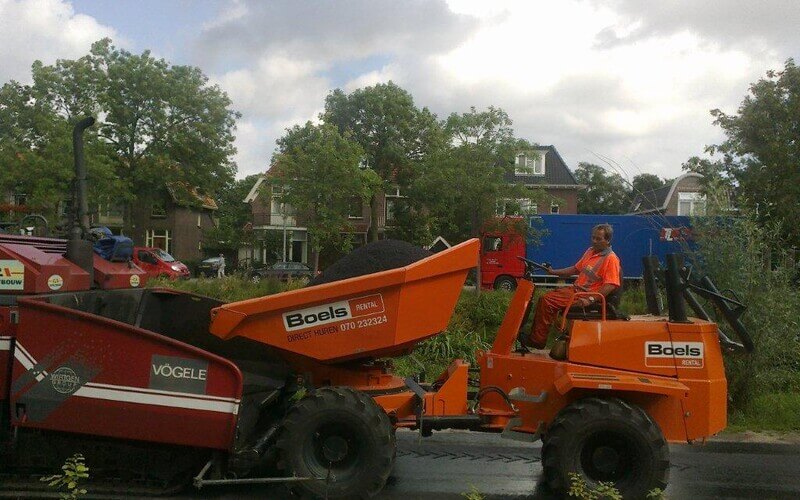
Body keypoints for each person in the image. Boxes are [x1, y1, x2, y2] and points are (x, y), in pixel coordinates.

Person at [522, 223, 621, 349]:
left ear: (607, 240)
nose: (594, 241)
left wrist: (590, 300)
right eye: (593, 237)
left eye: (598, 239)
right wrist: (554, 272)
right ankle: (542, 336)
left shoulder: (611, 259)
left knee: (547, 301)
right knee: (545, 297)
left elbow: (611, 285)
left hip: (585, 294)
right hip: (575, 290)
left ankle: (537, 341)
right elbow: (575, 269)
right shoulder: (590, 251)